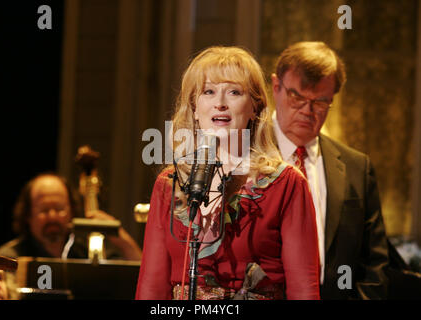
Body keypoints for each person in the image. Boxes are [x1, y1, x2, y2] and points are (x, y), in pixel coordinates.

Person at [136, 46, 320, 300]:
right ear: (194, 109)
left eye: (234, 92)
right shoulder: (169, 184)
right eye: (208, 92)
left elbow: (304, 290)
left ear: (255, 108)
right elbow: (151, 287)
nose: (220, 103)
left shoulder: (286, 183)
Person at [270, 41, 389, 299]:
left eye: (321, 102)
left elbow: (375, 265)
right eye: (297, 97)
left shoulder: (357, 167)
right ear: (276, 86)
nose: (307, 111)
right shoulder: (242, 155)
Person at [0, 173, 142, 261]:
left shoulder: (88, 254)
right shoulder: (8, 258)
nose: (52, 216)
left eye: (59, 209)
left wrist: (120, 236)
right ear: (28, 215)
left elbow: (144, 278)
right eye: (44, 210)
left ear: (72, 211)